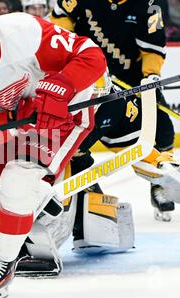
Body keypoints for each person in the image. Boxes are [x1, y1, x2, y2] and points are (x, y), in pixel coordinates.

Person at [0, 0, 106, 298]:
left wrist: (62, 85)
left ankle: (3, 265)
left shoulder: (25, 32)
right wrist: (13, 120)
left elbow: (91, 55)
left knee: (17, 180)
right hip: (21, 124)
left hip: (64, 118)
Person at [16, 73, 180, 277]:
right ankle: (27, 244)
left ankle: (45, 241)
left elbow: (137, 148)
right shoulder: (42, 96)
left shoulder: (116, 103)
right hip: (41, 158)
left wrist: (163, 169)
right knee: (43, 203)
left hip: (74, 158)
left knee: (95, 233)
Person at [49, 0, 176, 221]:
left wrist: (151, 75)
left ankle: (159, 184)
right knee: (79, 141)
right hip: (88, 80)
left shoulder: (147, 4)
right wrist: (65, 56)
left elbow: (153, 45)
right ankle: (84, 207)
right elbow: (60, 22)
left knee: (163, 127)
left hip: (132, 79)